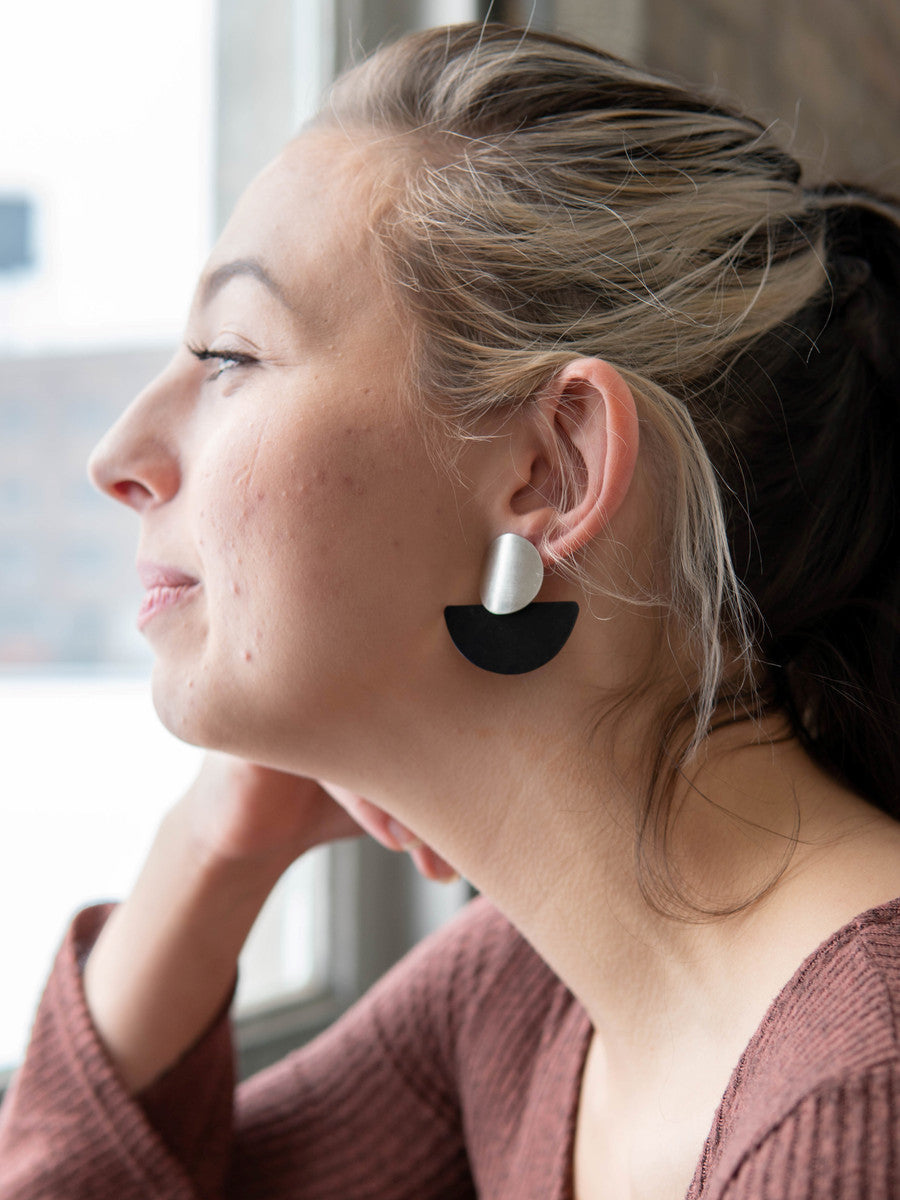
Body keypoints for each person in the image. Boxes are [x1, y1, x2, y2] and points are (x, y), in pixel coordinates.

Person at [1, 20, 899, 1199]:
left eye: (229, 355)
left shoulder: (856, 1112)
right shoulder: (534, 1001)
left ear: (550, 472)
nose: (118, 457)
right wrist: (216, 837)